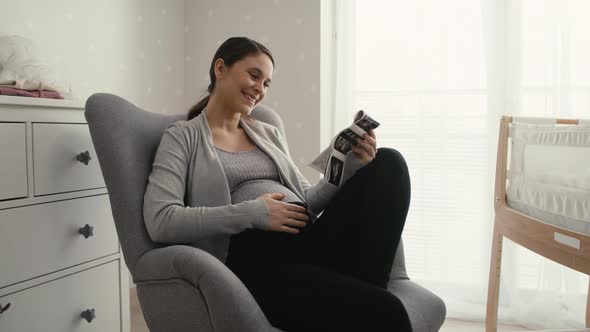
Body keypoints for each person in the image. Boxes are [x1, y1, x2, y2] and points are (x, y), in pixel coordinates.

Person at [143, 36, 412, 332]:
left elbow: (307, 200)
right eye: (254, 75)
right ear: (220, 68)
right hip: (258, 261)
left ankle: (360, 289)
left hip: (309, 240)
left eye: (266, 83)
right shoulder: (182, 137)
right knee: (388, 311)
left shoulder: (267, 133)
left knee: (388, 163)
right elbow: (161, 219)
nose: (260, 89)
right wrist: (255, 213)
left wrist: (348, 169)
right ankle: (362, 295)